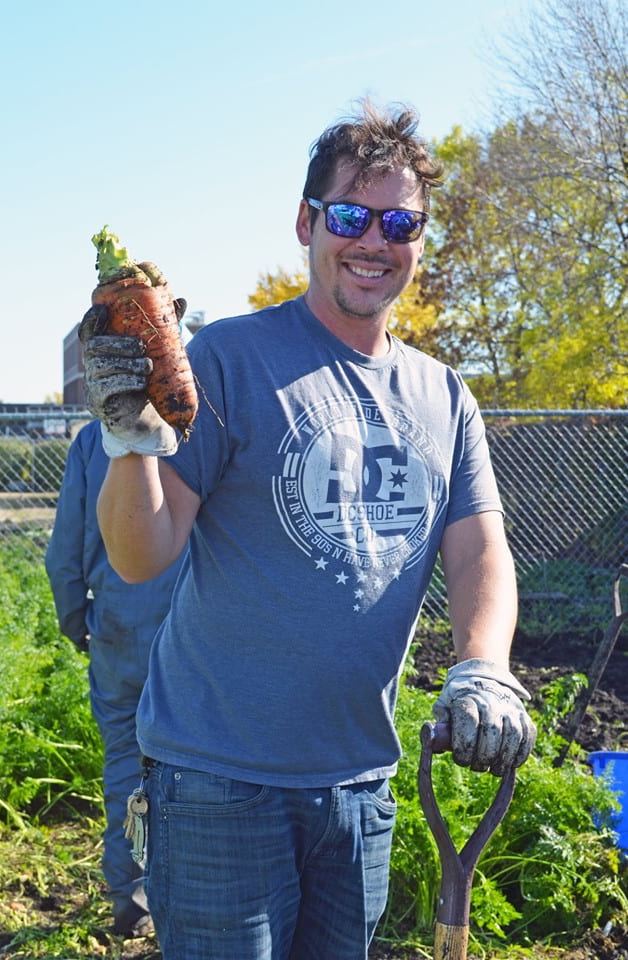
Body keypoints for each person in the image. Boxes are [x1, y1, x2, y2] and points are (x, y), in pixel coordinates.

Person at [79, 100, 537, 960]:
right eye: (351, 217)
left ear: (419, 239)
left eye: (400, 222)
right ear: (307, 223)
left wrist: (483, 666)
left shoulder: (444, 395)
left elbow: (480, 548)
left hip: (362, 784)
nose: (375, 240)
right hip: (218, 783)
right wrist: (130, 438)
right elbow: (141, 556)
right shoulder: (228, 359)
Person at [45, 418, 187, 938]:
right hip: (197, 632)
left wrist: (78, 623)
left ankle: (132, 899)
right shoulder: (208, 427)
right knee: (206, 767)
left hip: (120, 630)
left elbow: (65, 550)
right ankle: (196, 897)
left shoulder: (96, 438)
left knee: (128, 766)